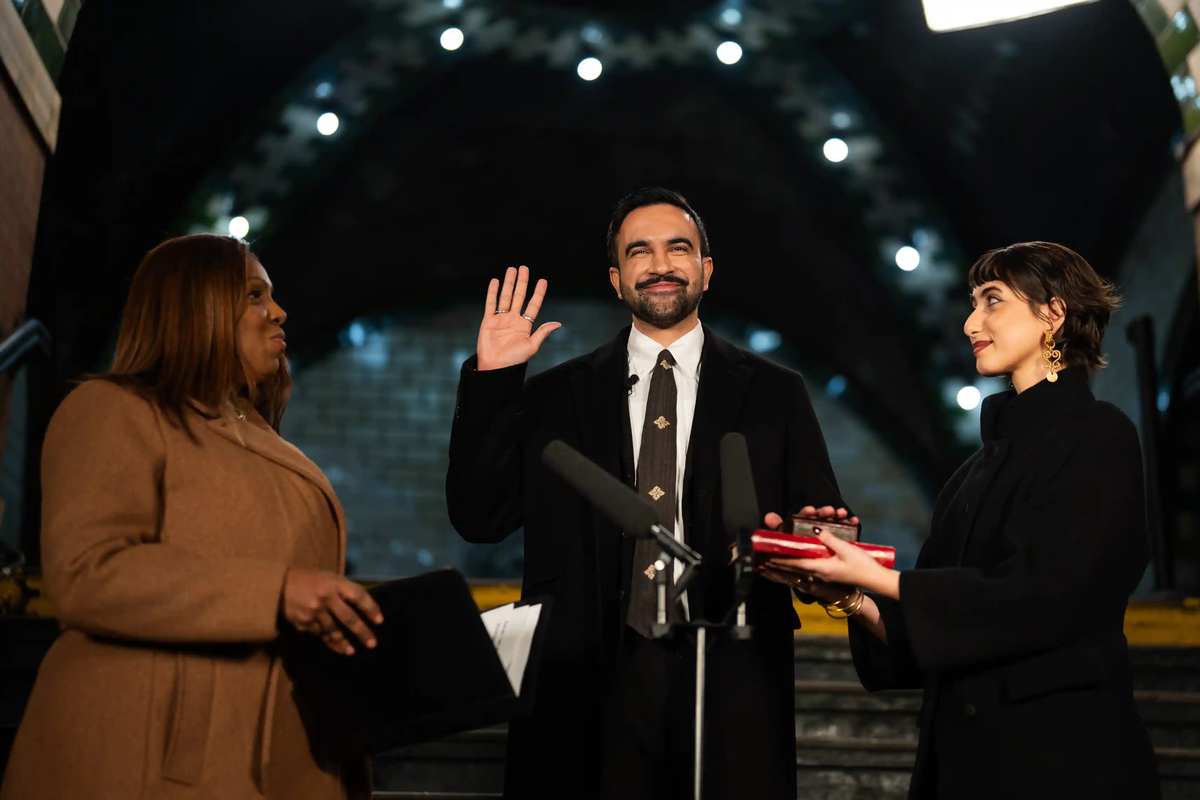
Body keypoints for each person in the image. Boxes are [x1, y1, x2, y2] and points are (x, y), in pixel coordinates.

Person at [446, 187, 855, 800]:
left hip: (731, 670)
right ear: (616, 279)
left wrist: (815, 538)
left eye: (678, 248)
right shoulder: (556, 396)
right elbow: (480, 517)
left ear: (706, 270)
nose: (660, 263)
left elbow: (818, 528)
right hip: (584, 681)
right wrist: (494, 382)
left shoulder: (777, 392)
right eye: (639, 251)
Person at [761, 241, 1161, 800]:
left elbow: (1042, 596)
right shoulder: (971, 473)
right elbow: (930, 639)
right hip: (960, 768)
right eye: (972, 303)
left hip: (1061, 766)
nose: (971, 322)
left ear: (1054, 313)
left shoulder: (1099, 436)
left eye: (992, 301)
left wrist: (877, 575)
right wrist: (847, 589)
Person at [1, 234, 382, 800]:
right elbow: (88, 573)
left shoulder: (265, 445)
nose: (278, 311)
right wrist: (276, 592)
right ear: (193, 306)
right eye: (254, 295)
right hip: (145, 756)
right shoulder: (113, 411)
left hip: (279, 758)